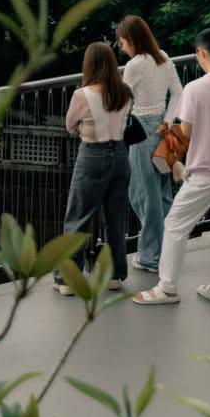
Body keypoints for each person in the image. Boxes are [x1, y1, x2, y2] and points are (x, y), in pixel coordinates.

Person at [133, 30, 210, 308]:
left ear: (201, 53)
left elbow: (185, 131)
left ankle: (167, 288)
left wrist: (171, 151)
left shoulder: (195, 89)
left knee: (175, 225)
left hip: (204, 170)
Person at [54, 42, 133, 294]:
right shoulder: (125, 91)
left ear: (88, 65)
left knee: (77, 217)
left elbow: (69, 125)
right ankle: (113, 275)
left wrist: (82, 128)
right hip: (120, 155)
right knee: (115, 219)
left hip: (92, 155)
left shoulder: (82, 94)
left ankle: (68, 280)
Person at [115, 15, 183, 274]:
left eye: (122, 42)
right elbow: (178, 92)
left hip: (141, 129)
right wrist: (167, 120)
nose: (122, 48)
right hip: (162, 131)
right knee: (162, 193)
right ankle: (165, 250)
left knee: (144, 194)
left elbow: (120, 97)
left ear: (132, 40)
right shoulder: (163, 57)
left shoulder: (135, 65)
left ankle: (150, 256)